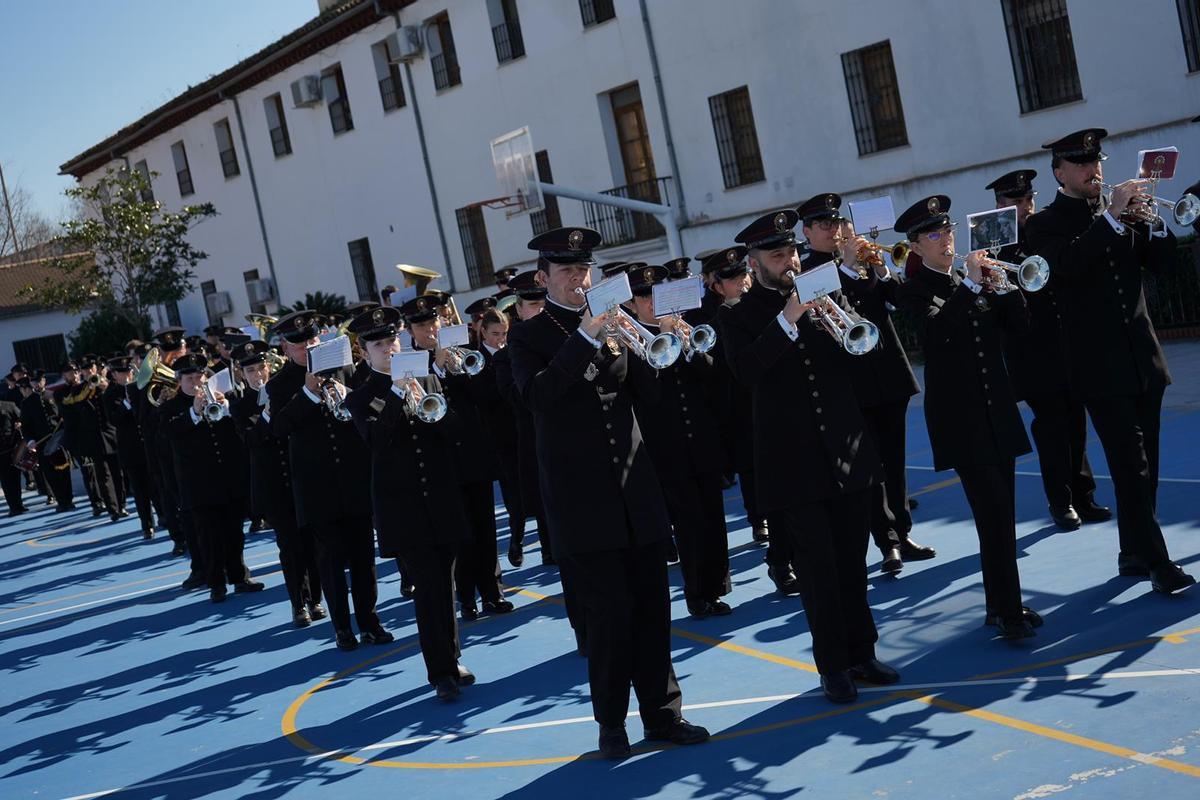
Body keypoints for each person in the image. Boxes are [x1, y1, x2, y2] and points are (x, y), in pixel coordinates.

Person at [508, 227, 709, 758]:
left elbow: (649, 398)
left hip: (635, 488)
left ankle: (664, 715)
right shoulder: (528, 336)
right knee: (608, 618)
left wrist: (653, 338)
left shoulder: (616, 324)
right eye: (567, 271)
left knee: (653, 610)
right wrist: (586, 337)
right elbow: (538, 398)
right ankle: (612, 723)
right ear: (543, 278)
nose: (579, 278)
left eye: (584, 269)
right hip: (581, 500)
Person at [722, 209, 900, 702]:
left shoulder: (826, 294)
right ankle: (834, 666)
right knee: (819, 571)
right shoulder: (738, 315)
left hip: (845, 450)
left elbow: (865, 349)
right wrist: (789, 319)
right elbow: (745, 372)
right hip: (793, 464)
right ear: (755, 263)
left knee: (853, 562)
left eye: (792, 252)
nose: (790, 262)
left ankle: (863, 653)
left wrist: (845, 317)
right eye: (778, 255)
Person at [1025, 127, 1193, 594]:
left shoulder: (1118, 212)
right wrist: (1113, 218)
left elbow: (1164, 265)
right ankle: (1159, 563)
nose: (1092, 169)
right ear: (1059, 173)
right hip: (1097, 367)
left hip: (1143, 356)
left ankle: (1132, 552)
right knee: (1130, 466)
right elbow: (1066, 267)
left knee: (1147, 465)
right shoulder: (1044, 225)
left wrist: (1153, 220)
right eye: (1080, 163)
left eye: (1095, 161)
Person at [896, 195, 1040, 639]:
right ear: (916, 246)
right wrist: (974, 287)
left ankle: (1001, 603)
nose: (946, 240)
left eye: (948, 230)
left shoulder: (969, 278)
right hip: (960, 418)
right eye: (933, 235)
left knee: (1004, 514)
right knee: (991, 512)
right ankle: (1008, 610)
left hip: (997, 408)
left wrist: (1007, 289)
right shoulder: (914, 290)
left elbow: (1021, 329)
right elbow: (937, 333)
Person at [797, 192, 935, 575]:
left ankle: (903, 533)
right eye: (824, 225)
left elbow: (898, 299)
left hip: (888, 371)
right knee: (870, 468)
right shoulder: (806, 271)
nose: (834, 230)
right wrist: (846, 266)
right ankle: (887, 542)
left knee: (895, 460)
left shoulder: (860, 259)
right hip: (851, 381)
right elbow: (827, 309)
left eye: (837, 223)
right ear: (807, 232)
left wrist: (882, 271)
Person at [345, 305, 474, 700]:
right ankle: (441, 672)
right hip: (403, 507)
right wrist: (399, 393)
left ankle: (452, 656)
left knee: (446, 583)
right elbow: (376, 442)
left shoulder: (427, 377)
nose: (389, 348)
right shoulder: (361, 397)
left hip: (441, 497)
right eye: (379, 345)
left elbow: (456, 431)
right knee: (428, 586)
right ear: (364, 352)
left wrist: (434, 400)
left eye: (392, 341)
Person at [987, 168, 1109, 531]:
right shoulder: (994, 244)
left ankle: (1084, 494)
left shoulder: (1045, 228)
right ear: (999, 205)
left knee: (1076, 421)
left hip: (1065, 341)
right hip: (1029, 350)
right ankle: (1061, 500)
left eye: (1029, 199)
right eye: (1016, 201)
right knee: (1053, 425)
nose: (1025, 206)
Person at [267, 311, 392, 650]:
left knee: (364, 558)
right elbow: (278, 428)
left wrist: (348, 393)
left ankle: (369, 622)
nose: (308, 347)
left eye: (312, 339)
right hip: (316, 487)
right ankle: (342, 628)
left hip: (354, 479)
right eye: (299, 344)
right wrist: (308, 394)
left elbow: (372, 405)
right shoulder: (279, 384)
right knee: (330, 560)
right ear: (285, 348)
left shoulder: (347, 369)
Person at [627, 264, 732, 618]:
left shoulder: (685, 327)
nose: (651, 303)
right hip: (665, 447)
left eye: (656, 296)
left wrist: (689, 346)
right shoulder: (630, 341)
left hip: (701, 440)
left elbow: (714, 374)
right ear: (632, 304)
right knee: (689, 522)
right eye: (644, 297)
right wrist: (662, 341)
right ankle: (696, 593)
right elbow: (649, 393)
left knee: (713, 517)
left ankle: (717, 587)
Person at [404, 295, 513, 622]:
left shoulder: (461, 351)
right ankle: (466, 598)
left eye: (433, 322)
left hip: (474, 453)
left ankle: (493, 592)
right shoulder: (407, 363)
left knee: (485, 527)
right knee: (459, 532)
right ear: (410, 330)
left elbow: (485, 395)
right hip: (442, 461)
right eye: (422, 325)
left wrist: (458, 369)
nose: (430, 330)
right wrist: (438, 369)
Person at [229, 340, 325, 627]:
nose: (258, 374)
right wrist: (268, 415)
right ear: (242, 374)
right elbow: (250, 440)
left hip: (301, 478)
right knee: (289, 547)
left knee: (312, 544)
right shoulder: (240, 406)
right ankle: (298, 603)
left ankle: (316, 598)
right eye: (251, 371)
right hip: (273, 485)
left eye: (261, 368)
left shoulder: (282, 390)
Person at [162, 353, 263, 603]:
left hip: (228, 478)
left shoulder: (221, 397)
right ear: (179, 381)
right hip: (198, 484)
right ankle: (216, 583)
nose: (195, 382)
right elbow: (170, 432)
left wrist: (227, 408)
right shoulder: (170, 407)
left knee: (234, 532)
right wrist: (194, 412)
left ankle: (240, 577)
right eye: (189, 378)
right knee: (208, 536)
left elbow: (239, 429)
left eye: (199, 377)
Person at [102, 356, 157, 538]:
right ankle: (147, 525)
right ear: (114, 375)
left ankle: (165, 517)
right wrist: (126, 403)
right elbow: (113, 420)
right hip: (130, 449)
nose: (127, 375)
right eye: (123, 372)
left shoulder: (140, 387)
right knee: (140, 491)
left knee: (157, 486)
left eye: (129, 371)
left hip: (148, 444)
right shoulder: (109, 394)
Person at [18, 374, 76, 512]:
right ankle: (61, 501)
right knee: (51, 474)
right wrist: (31, 440)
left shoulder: (53, 395)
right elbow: (26, 426)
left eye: (39, 381)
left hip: (58, 441)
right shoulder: (27, 403)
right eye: (34, 382)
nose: (37, 384)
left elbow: (63, 415)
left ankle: (68, 499)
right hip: (42, 443)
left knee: (63, 471)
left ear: (44, 381)